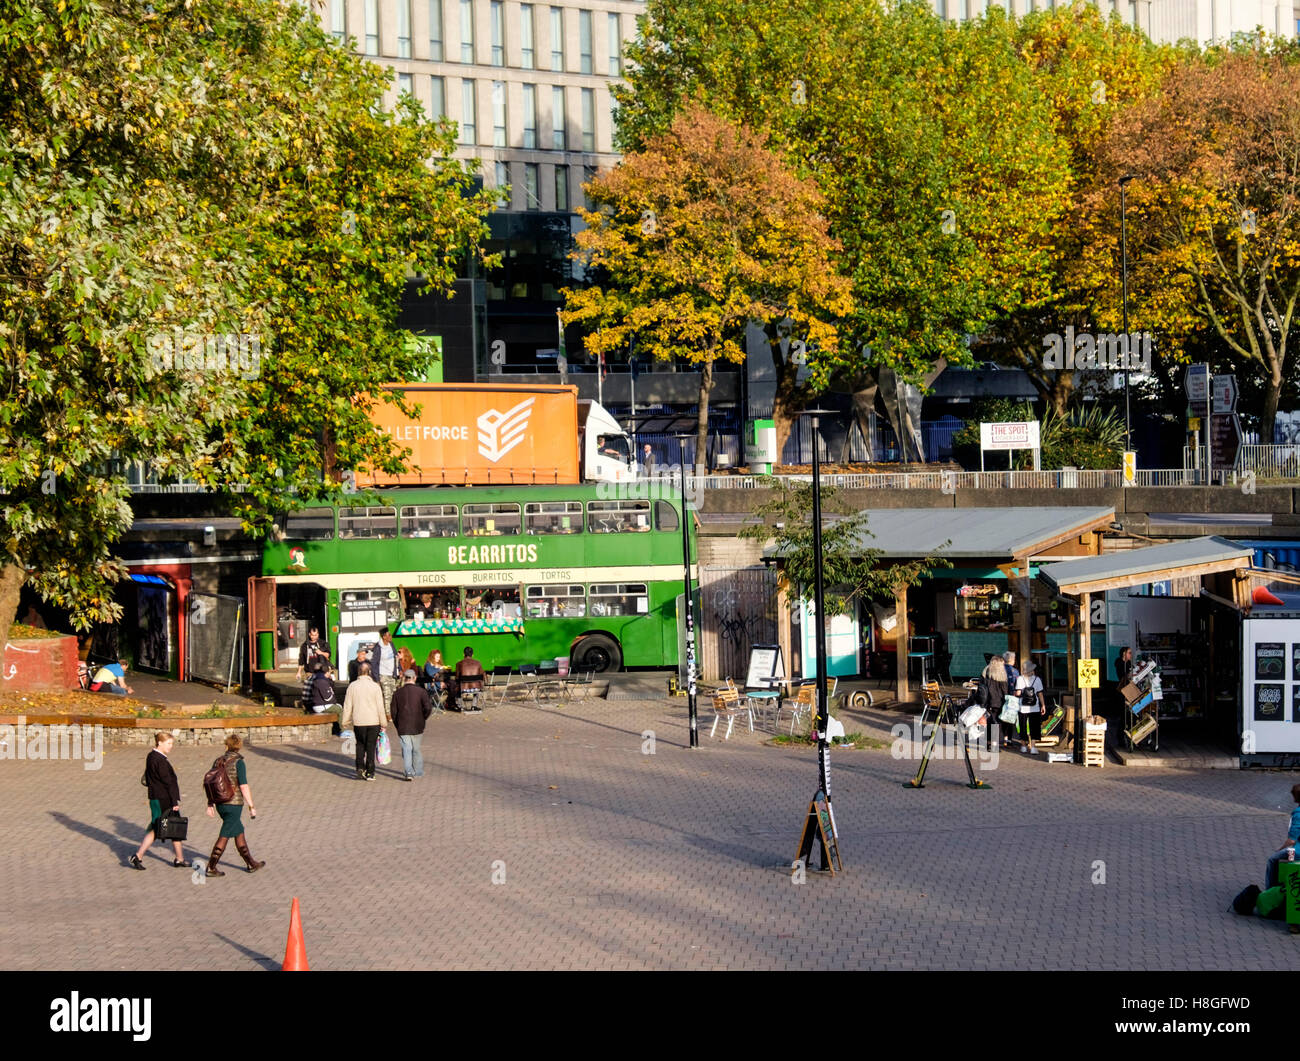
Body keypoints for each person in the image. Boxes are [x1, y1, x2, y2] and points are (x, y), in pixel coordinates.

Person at [203, 734, 264, 876]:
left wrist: (210, 804)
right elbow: (243, 786)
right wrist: (251, 806)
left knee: (238, 831)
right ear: (239, 746)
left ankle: (251, 863)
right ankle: (211, 867)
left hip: (220, 803)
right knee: (225, 835)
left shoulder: (218, 760)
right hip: (233, 804)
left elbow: (211, 783)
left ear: (226, 745)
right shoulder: (239, 762)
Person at [130, 731, 188, 869]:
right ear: (160, 742)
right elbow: (168, 782)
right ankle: (138, 856)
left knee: (166, 827)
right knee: (166, 827)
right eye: (168, 743)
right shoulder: (159, 760)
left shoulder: (152, 756)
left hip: (156, 797)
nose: (171, 746)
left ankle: (179, 858)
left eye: (172, 744)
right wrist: (174, 802)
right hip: (164, 799)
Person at [340, 660, 390, 780]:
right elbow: (380, 707)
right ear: (369, 672)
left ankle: (359, 767)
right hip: (374, 722)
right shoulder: (375, 687)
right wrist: (384, 722)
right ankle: (370, 772)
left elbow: (347, 705)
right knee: (371, 746)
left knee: (360, 745)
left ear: (358, 672)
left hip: (359, 721)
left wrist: (345, 721)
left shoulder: (352, 686)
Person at [391, 669, 434, 781]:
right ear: (414, 678)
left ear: (404, 678)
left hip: (403, 724)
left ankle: (409, 772)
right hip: (418, 724)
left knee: (406, 748)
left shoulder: (397, 693)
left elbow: (393, 712)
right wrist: (423, 717)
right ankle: (418, 771)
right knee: (416, 749)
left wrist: (397, 723)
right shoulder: (421, 692)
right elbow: (428, 708)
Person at [1264, 783, 1300, 890]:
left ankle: (1270, 891)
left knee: (1273, 860)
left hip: (1297, 851)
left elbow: (1292, 841)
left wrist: (1279, 849)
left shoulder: (1298, 814)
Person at [1015, 660, 1045, 755]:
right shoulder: (1037, 679)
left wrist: (1015, 693)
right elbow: (1040, 694)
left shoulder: (1020, 679)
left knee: (1022, 726)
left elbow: (1018, 693)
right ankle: (1033, 747)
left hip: (1022, 707)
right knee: (1034, 727)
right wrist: (1043, 705)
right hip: (1034, 707)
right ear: (1032, 670)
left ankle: (1023, 746)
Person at [981, 655, 1009, 748]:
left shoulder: (986, 673)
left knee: (989, 722)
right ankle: (994, 744)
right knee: (997, 722)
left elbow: (981, 687)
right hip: (999, 702)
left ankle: (989, 742)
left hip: (987, 701)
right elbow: (1005, 691)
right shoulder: (1002, 676)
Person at [372, 626, 399, 713]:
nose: (390, 636)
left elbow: (395, 657)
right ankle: (388, 714)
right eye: (389, 635)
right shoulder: (378, 647)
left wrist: (399, 669)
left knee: (393, 694)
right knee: (387, 696)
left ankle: (392, 711)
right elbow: (374, 663)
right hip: (383, 674)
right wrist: (376, 678)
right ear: (384, 637)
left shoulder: (391, 644)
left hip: (392, 674)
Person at [453, 646, 485, 710]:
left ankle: (460, 706)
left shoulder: (459, 664)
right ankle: (474, 706)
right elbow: (482, 675)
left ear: (463, 654)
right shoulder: (478, 663)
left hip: (463, 689)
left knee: (456, 686)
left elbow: (457, 677)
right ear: (472, 655)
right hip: (476, 689)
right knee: (477, 685)